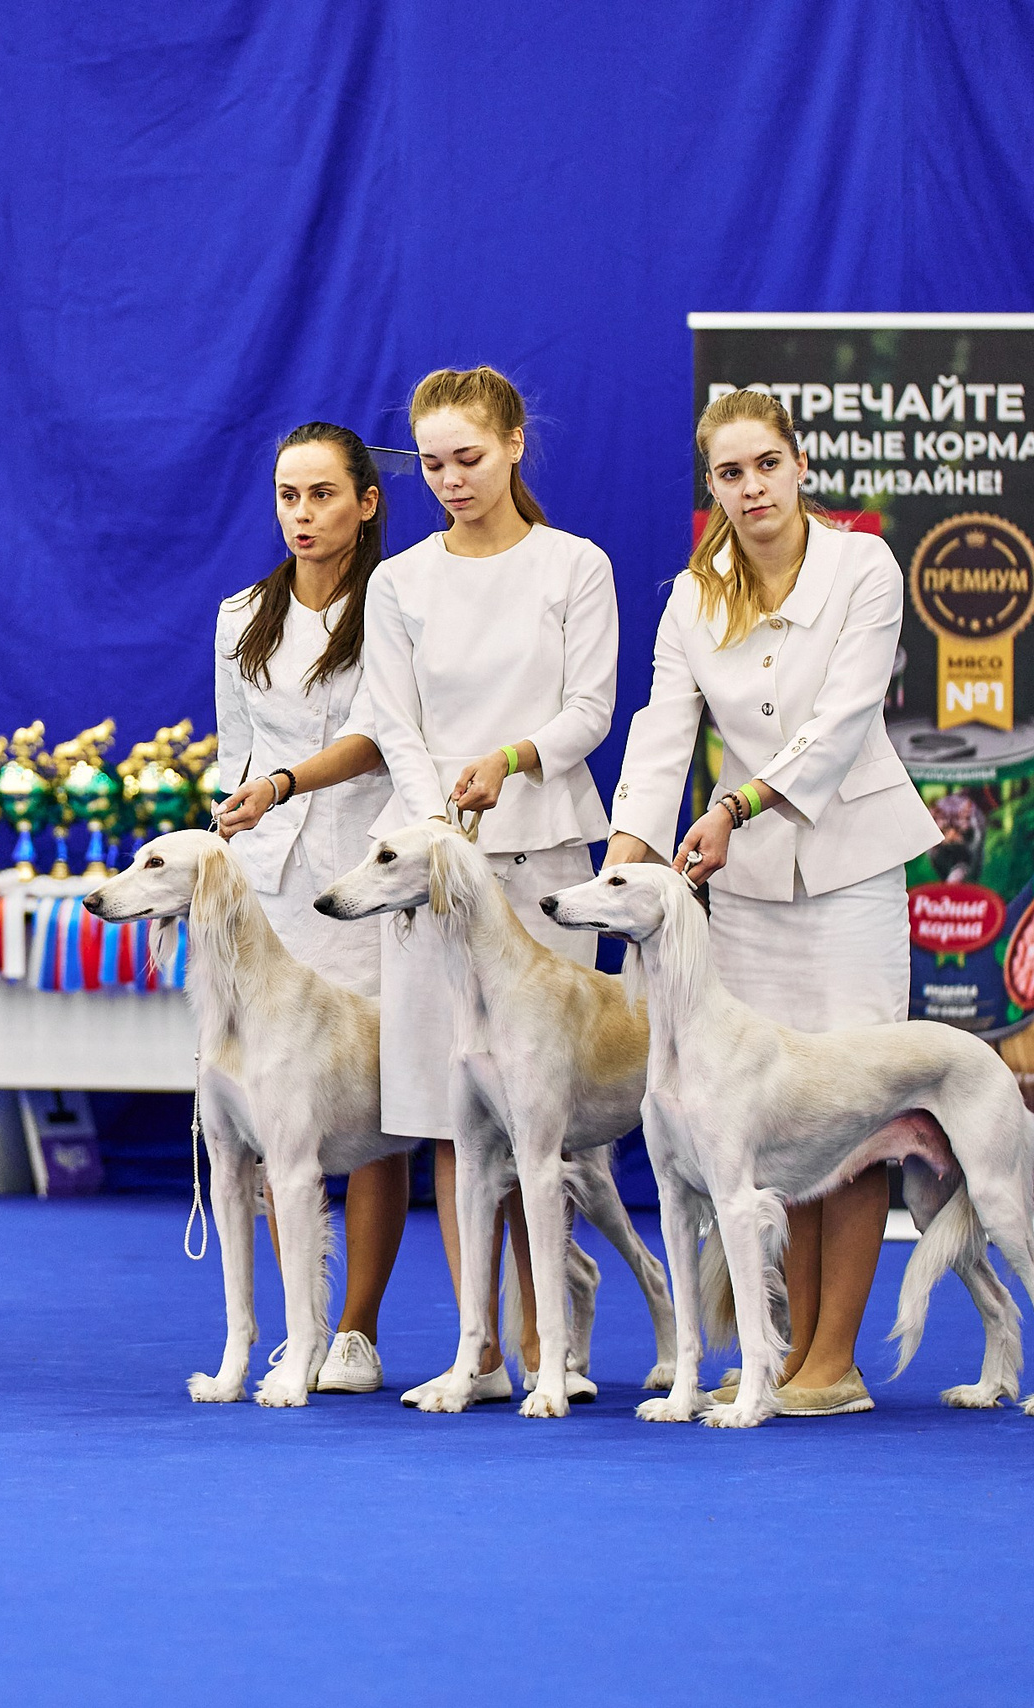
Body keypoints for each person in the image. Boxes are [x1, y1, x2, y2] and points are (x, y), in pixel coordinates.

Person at [220, 368, 617, 1405]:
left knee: (547, 1121)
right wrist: (437, 811)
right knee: (445, 1113)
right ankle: (476, 1351)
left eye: (468, 459)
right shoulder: (400, 584)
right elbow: (389, 718)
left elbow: (591, 711)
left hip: (542, 861)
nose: (450, 479)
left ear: (517, 444)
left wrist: (515, 757)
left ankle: (553, 1347)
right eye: (433, 462)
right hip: (426, 868)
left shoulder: (576, 566)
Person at [604, 386, 938, 1418]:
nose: (749, 488)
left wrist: (739, 801)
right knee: (775, 1120)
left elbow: (842, 721)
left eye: (764, 466)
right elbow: (660, 737)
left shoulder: (862, 567)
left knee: (854, 1106)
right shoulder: (690, 597)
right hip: (741, 893)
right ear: (709, 485)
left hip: (850, 871)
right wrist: (623, 866)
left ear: (799, 466)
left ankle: (833, 1362)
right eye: (727, 473)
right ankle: (785, 1354)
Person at [206, 423, 402, 1391]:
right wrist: (228, 830)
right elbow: (230, 749)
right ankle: (299, 1326)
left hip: (362, 879)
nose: (303, 514)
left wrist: (281, 784)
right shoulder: (241, 612)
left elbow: (381, 740)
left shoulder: (399, 604)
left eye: (322, 494)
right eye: (288, 495)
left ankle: (355, 1331)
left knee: (369, 1108)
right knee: (275, 1119)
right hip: (268, 889)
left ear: (365, 502)